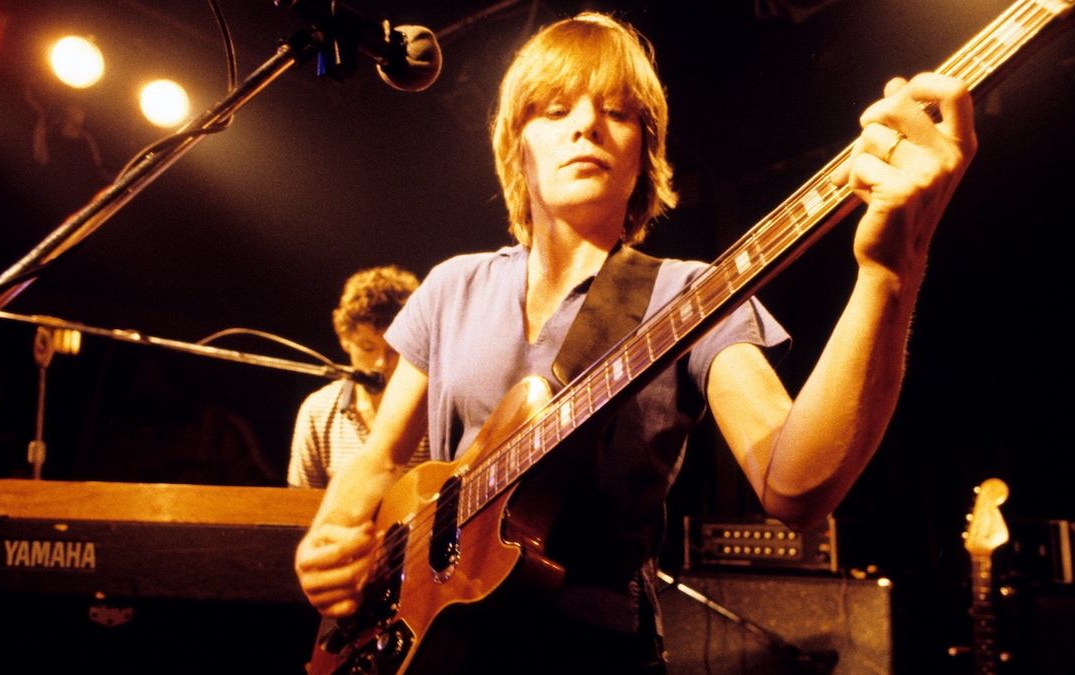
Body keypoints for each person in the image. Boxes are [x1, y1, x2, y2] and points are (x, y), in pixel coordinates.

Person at [295, 11, 975, 674]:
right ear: (515, 143)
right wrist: (335, 531)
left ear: (644, 153)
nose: (586, 124)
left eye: (617, 112)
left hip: (594, 650)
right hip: (433, 645)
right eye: (554, 108)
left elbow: (792, 483)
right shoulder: (453, 285)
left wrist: (889, 275)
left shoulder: (685, 294)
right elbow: (379, 457)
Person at [287, 265, 429, 489]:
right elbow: (297, 505)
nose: (381, 362)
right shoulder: (319, 411)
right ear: (345, 338)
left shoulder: (433, 409)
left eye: (394, 349)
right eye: (367, 347)